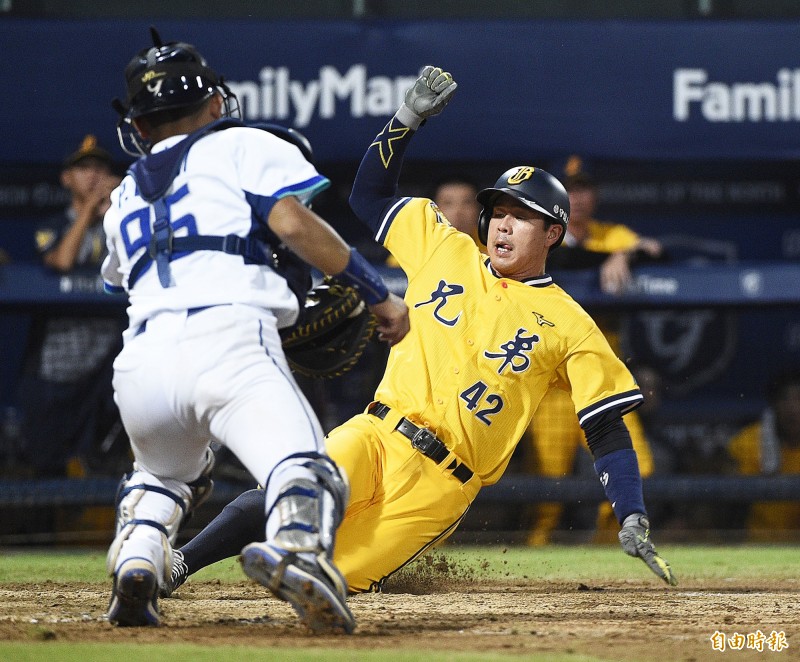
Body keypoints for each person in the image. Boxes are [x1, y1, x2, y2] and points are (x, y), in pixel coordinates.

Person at [160, 65, 676, 598]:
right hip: (377, 434)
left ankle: (294, 564)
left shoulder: (571, 323)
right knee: (295, 487)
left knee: (336, 577)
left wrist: (631, 513)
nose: (503, 223)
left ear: (553, 233)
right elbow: (369, 196)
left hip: (443, 485)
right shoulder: (444, 247)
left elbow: (605, 426)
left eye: (522, 216)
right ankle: (178, 563)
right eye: (498, 210)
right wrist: (405, 120)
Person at [100, 30, 409, 632]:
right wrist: (379, 295)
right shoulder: (243, 143)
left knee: (162, 477)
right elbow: (293, 223)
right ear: (216, 102)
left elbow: (118, 281)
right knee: (307, 468)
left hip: (141, 362)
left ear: (138, 126)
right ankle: (298, 552)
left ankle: (137, 558)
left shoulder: (125, 192)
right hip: (231, 338)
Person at [522, 156, 662, 545]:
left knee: (640, 470)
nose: (577, 198)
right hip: (550, 385)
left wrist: (627, 253)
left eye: (583, 189)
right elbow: (565, 256)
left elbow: (655, 251)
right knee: (548, 488)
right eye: (569, 190)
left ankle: (611, 552)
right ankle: (533, 552)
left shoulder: (610, 235)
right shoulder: (536, 236)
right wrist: (609, 258)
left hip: (598, 379)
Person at [16, 134, 125, 478]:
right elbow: (61, 261)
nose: (93, 175)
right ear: (66, 178)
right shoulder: (53, 225)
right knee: (45, 463)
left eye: (100, 168)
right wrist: (88, 209)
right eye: (84, 168)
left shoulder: (119, 223)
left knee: (102, 463)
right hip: (56, 364)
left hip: (106, 362)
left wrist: (119, 209)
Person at [727, 369, 800, 541]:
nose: (792, 408)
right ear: (773, 405)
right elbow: (726, 495)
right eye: (784, 399)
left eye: (799, 398)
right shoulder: (749, 440)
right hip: (756, 544)